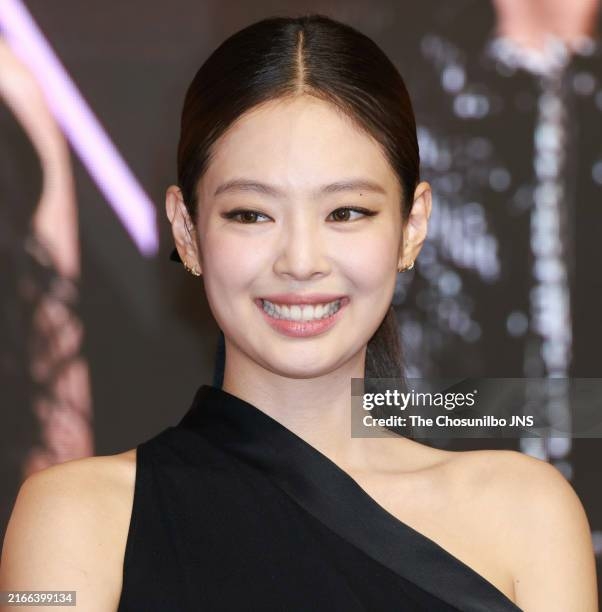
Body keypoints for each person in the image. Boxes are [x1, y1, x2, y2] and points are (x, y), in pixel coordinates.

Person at [0, 14, 597, 611]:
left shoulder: (528, 513)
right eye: (251, 214)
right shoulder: (72, 519)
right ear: (186, 231)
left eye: (346, 212)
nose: (301, 261)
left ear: (413, 226)